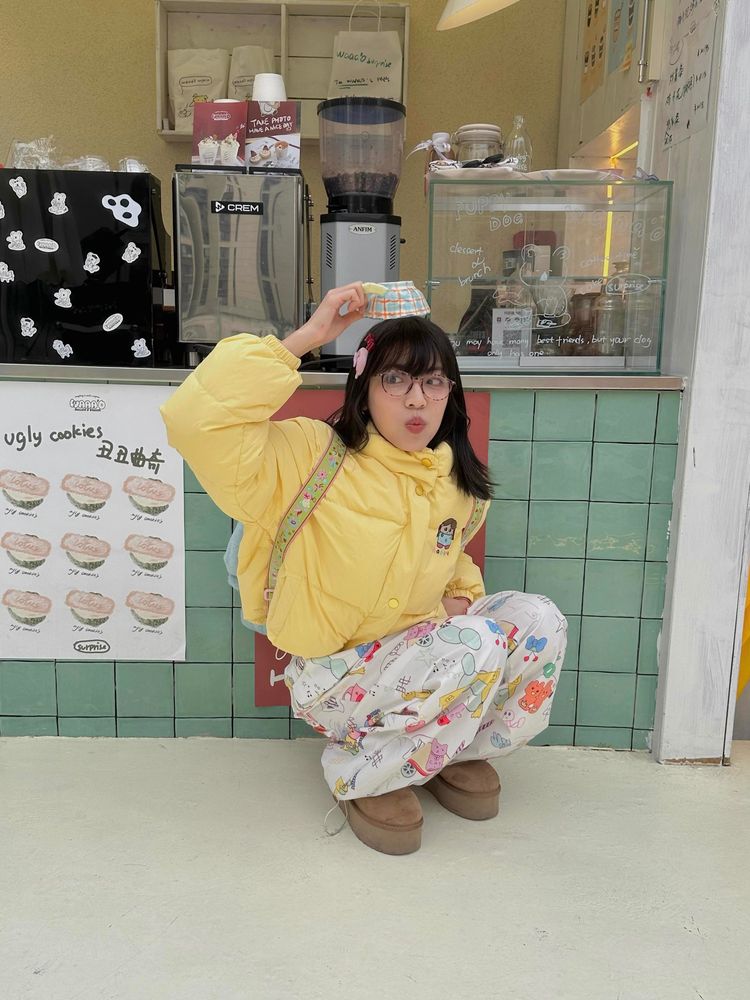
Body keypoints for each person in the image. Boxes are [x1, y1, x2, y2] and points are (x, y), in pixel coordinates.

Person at [161, 282, 567, 855]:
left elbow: (453, 564)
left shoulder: (455, 482)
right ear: (364, 388)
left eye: (434, 382)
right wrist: (308, 337)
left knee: (538, 619)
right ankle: (366, 771)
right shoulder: (310, 457)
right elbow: (197, 420)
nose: (417, 400)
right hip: (336, 677)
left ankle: (451, 750)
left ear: (451, 393)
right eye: (395, 380)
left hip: (424, 658)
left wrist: (454, 600)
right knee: (473, 643)